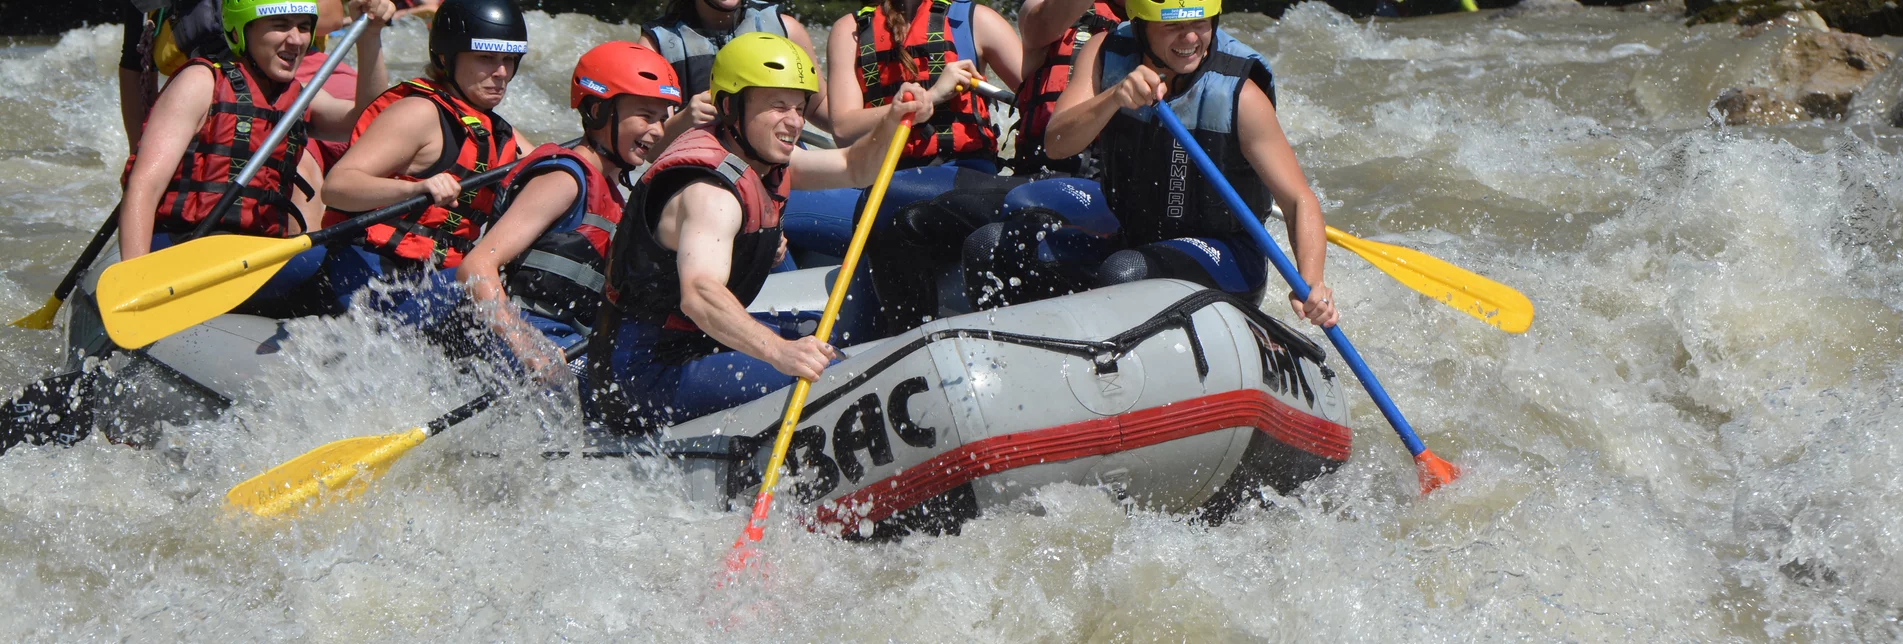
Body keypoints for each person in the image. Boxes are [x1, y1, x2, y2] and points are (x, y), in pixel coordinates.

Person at [586, 33, 931, 436]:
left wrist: (892, 119)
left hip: (692, 344)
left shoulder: (761, 160)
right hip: (642, 373)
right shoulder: (710, 193)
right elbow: (700, 295)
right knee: (831, 374)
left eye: (800, 108)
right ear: (731, 107)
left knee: (833, 330)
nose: (795, 121)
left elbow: (855, 166)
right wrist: (779, 352)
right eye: (778, 106)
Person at [966, 0, 1339, 328]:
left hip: (1225, 256)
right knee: (991, 245)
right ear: (1142, 27)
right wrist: (1114, 97)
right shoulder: (1105, 52)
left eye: (1200, 23)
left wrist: (1312, 281)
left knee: (1123, 272)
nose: (1190, 39)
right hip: (1133, 240)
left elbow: (1297, 199)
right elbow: (1058, 143)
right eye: (1173, 26)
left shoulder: (1240, 94)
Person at [117, 0, 394, 316]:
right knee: (318, 262)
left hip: (250, 256)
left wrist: (370, 37)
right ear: (241, 32)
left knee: (355, 259)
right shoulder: (200, 82)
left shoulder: (297, 95)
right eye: (280, 25)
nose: (296, 39)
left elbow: (367, 122)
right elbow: (143, 185)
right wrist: (135, 283)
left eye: (304, 27)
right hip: (185, 250)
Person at [454, 42, 680, 376]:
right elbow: (476, 267)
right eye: (646, 116)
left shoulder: (615, 194)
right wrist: (524, 343)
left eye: (662, 119)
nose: (658, 131)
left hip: (571, 343)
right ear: (598, 111)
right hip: (522, 347)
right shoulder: (565, 179)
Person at [320, 0, 534, 328]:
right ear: (447, 58)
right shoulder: (418, 113)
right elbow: (337, 187)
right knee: (471, 289)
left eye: (509, 60)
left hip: (427, 282)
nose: (501, 72)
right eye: (486, 58)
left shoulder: (498, 132)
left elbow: (548, 173)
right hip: (367, 276)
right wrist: (417, 187)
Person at [825, 0, 1022, 172]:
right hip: (885, 177)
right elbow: (843, 130)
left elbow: (1041, 100)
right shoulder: (849, 31)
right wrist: (932, 97)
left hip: (966, 173)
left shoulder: (978, 21)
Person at [641, 0, 831, 150]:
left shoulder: (785, 29)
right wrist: (684, 120)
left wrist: (856, 126)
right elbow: (648, 149)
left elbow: (817, 107)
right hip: (703, 168)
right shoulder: (656, 45)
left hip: (776, 167)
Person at [1009, 0, 1125, 176]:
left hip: (1117, 170)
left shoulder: (1167, 27)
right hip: (1044, 167)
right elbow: (1040, 29)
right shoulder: (1038, 7)